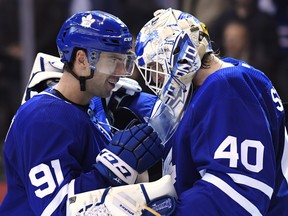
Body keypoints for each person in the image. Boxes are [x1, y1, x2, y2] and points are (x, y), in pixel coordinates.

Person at [0, 11, 165, 215]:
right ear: (82, 59)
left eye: (125, 60)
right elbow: (56, 209)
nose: (122, 71)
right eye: (113, 60)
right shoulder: (44, 118)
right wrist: (112, 171)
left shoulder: (93, 102)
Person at [135, 8, 288, 215]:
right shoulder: (217, 85)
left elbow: (238, 191)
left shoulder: (227, 85)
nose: (157, 79)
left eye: (157, 67)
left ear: (182, 56)